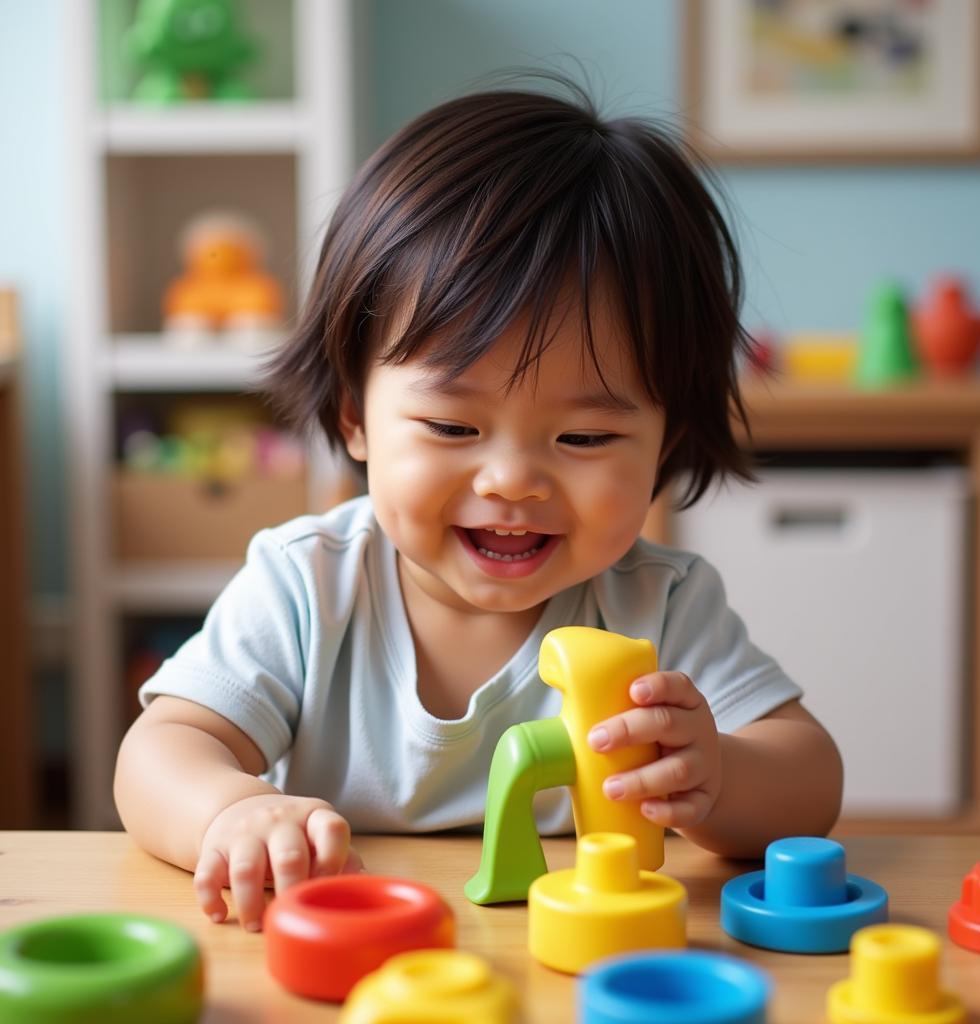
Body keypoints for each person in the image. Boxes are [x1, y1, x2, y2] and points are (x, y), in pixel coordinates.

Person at [114, 77, 843, 932]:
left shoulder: (659, 605)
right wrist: (229, 809)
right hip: (359, 946)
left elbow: (810, 778)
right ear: (355, 415)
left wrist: (716, 772)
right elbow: (158, 753)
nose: (513, 481)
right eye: (455, 424)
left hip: (575, 958)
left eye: (584, 439)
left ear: (664, 440)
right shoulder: (307, 583)